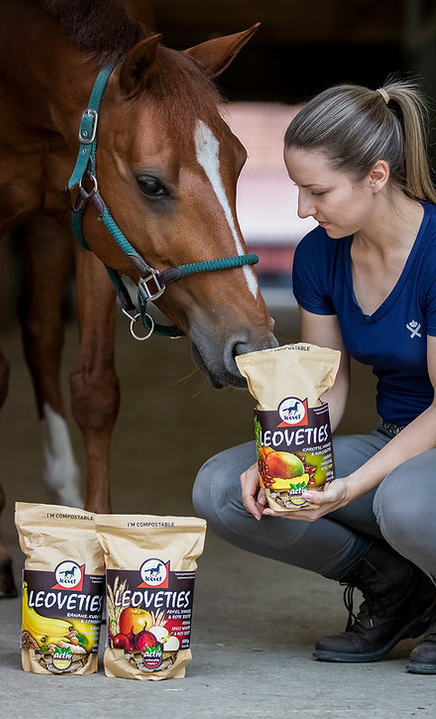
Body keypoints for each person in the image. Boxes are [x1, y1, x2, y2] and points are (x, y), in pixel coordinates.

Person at [193, 78, 436, 674]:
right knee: (225, 492)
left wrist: (353, 486)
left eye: (316, 190)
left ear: (376, 176)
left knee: (403, 502)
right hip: (397, 443)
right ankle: (398, 589)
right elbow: (327, 381)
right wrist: (281, 452)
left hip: (424, 450)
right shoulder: (320, 252)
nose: (302, 208)